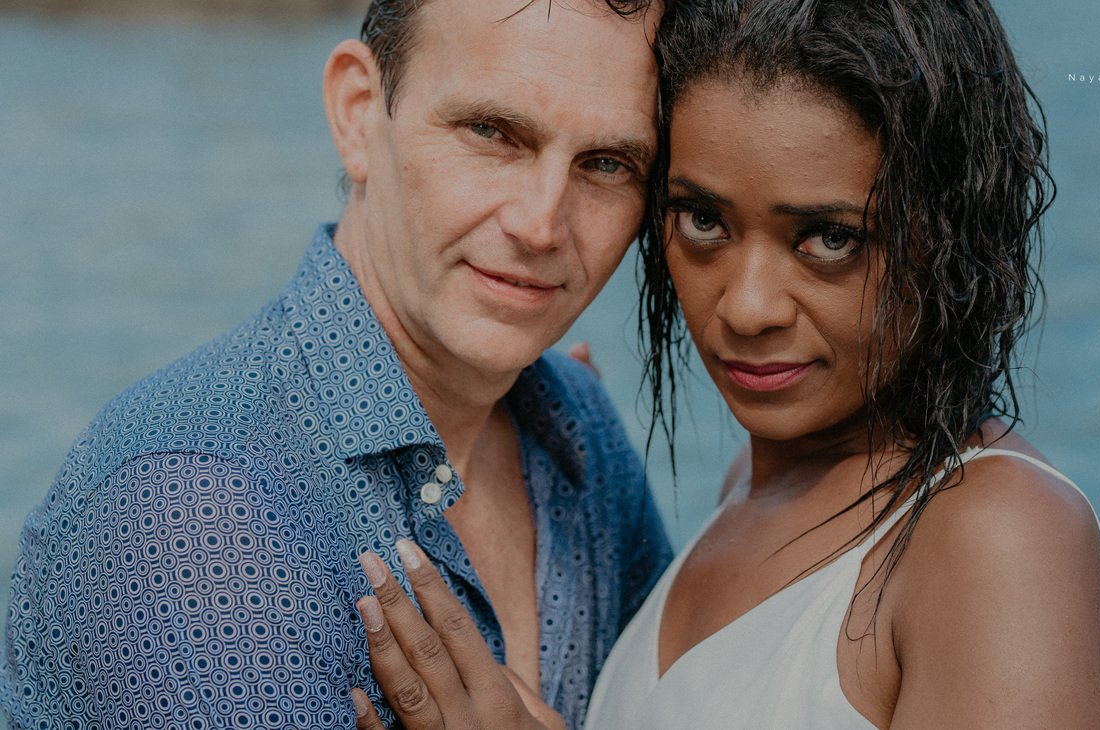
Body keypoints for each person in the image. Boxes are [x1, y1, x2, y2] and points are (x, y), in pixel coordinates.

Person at [350, 0, 1100, 727]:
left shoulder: (1002, 540)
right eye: (703, 221)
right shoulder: (747, 491)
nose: (748, 308)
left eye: (830, 238)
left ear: (951, 235)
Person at [0, 1, 674, 727]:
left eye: (607, 163)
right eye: (491, 132)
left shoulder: (579, 433)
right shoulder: (195, 522)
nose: (541, 223)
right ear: (358, 114)